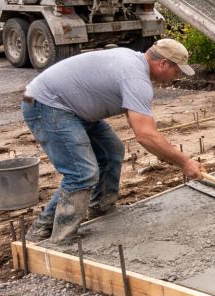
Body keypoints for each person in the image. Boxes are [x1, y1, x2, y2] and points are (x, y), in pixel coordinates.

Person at [22, 38, 204, 244]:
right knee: (82, 173)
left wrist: (170, 155)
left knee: (112, 150)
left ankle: (101, 208)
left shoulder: (134, 63)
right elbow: (146, 135)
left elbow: (141, 126)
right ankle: (50, 233)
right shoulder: (135, 78)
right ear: (163, 64)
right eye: (177, 70)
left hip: (73, 108)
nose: (177, 76)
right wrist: (185, 162)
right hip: (47, 105)